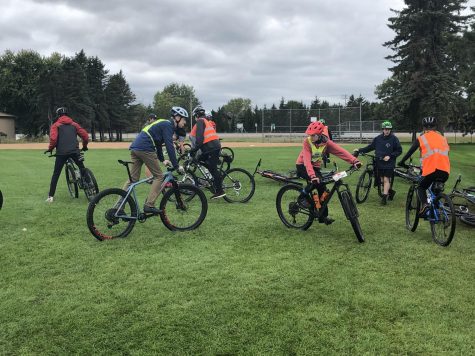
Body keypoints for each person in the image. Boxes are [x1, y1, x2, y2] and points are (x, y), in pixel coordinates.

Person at [296, 121, 361, 225]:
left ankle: (323, 216)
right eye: (310, 135)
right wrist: (312, 176)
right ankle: (301, 197)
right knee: (315, 183)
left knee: (323, 190)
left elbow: (340, 151)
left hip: (315, 167)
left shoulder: (327, 142)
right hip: (302, 165)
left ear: (320, 135)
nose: (311, 137)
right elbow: (307, 161)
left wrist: (354, 161)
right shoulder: (307, 142)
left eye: (313, 135)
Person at [125, 107, 187, 214]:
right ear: (177, 117)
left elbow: (158, 143)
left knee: (132, 180)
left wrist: (162, 160)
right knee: (159, 176)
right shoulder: (168, 125)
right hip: (145, 148)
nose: (185, 122)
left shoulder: (162, 123)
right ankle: (149, 205)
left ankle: (118, 208)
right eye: (184, 119)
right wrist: (176, 166)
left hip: (135, 148)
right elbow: (169, 145)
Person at [398, 116, 450, 215]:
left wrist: (401, 162)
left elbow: (409, 152)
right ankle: (437, 210)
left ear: (424, 128)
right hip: (445, 171)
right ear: (435, 127)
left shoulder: (422, 138)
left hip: (431, 170)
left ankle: (425, 205)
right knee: (436, 190)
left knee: (421, 187)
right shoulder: (443, 138)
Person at [44, 107, 89, 203]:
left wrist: (50, 148)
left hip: (61, 153)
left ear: (58, 115)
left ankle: (50, 196)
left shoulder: (56, 125)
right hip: (74, 151)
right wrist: (84, 146)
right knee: (82, 167)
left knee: (56, 174)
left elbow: (53, 139)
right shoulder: (74, 124)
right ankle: (91, 187)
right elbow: (85, 136)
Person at [353, 120, 402, 205]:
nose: (387, 130)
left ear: (390, 130)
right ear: (382, 129)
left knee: (386, 179)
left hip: (389, 163)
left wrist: (390, 156)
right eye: (385, 129)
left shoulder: (394, 139)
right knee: (382, 180)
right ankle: (389, 192)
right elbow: (370, 147)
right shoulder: (378, 138)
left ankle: (384, 198)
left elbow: (399, 150)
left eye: (388, 129)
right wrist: (360, 150)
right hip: (379, 162)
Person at [189, 105, 226, 199]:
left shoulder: (200, 121)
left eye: (194, 116)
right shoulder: (206, 121)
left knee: (213, 169)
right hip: (212, 147)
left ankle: (220, 190)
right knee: (201, 161)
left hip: (211, 147)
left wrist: (194, 149)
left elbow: (200, 138)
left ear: (196, 115)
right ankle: (213, 180)